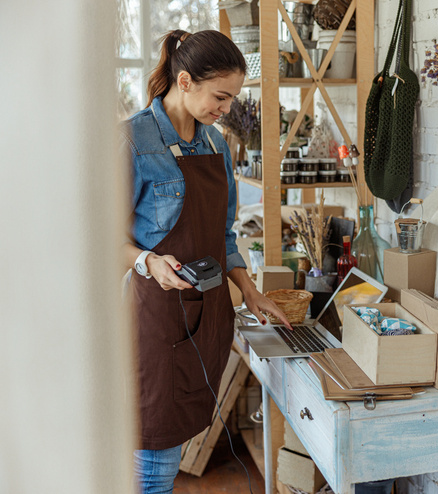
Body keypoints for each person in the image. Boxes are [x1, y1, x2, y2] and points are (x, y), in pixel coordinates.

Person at [120, 29, 291, 493]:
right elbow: (102, 238)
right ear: (185, 81)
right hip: (155, 322)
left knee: (168, 456)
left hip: (206, 316)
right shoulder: (134, 140)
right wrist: (149, 263)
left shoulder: (216, 145)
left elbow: (223, 235)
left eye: (233, 99)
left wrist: (252, 292)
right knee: (152, 462)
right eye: (221, 96)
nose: (227, 110)